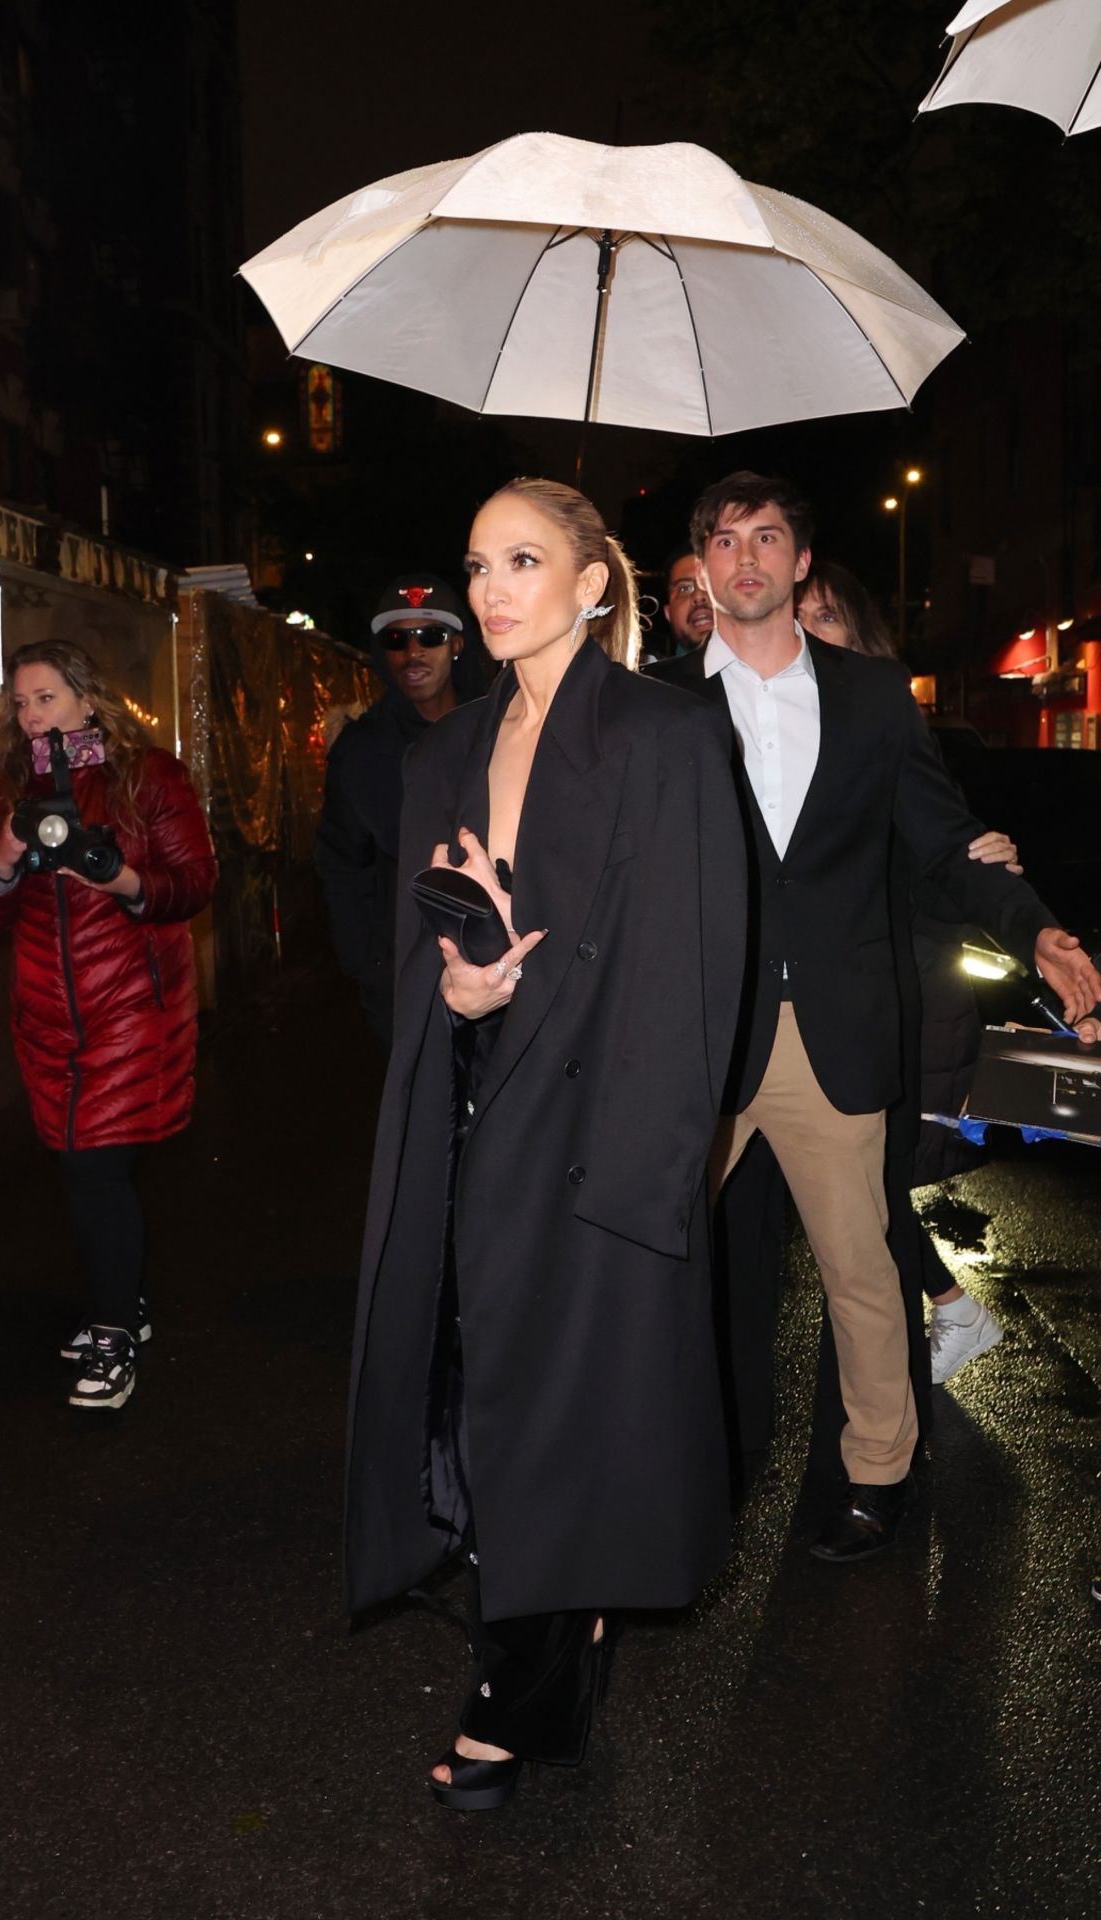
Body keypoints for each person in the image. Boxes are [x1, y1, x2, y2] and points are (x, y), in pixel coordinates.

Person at [344, 477, 747, 1810]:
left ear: (595, 582)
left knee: (550, 1413)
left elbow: (696, 977)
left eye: (527, 560)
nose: (494, 589)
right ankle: (558, 1642)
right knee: (481, 1397)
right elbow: (428, 957)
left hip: (598, 1130)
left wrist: (642, 1188)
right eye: (477, 566)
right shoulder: (441, 755)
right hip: (472, 1106)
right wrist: (458, 987)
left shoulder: (665, 738)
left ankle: (516, 1698)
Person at [664, 471, 1099, 1562]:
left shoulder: (867, 698)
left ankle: (877, 1475)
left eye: (767, 537)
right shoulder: (661, 709)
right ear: (702, 566)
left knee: (863, 1268)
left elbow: (945, 844)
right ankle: (653, 1474)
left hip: (836, 1035)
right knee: (650, 1260)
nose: (745, 558)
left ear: (801, 561)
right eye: (723, 541)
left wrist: (1035, 929)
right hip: (699, 1039)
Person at [0, 640, 216, 1411]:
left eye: (47, 698)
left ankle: (110, 1333)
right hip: (45, 1012)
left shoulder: (148, 776)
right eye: (22, 703)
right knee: (80, 1166)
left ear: (89, 700)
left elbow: (194, 881)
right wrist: (4, 856)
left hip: (133, 1007)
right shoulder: (10, 786)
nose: (32, 716)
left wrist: (122, 878)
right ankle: (122, 1306)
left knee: (95, 1168)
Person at [796, 558, 1005, 1385]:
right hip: (853, 982)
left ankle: (951, 1313)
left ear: (862, 636)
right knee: (847, 1173)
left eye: (829, 619)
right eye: (800, 619)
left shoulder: (880, 720)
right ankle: (947, 1313)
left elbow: (936, 834)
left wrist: (982, 854)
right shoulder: (784, 724)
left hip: (903, 982)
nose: (813, 635)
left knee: (862, 1173)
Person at [314, 572, 483, 1053]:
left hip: (497, 968)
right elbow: (340, 863)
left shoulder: (499, 731)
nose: (413, 652)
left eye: (429, 636)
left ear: (456, 645)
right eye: (396, 639)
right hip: (401, 981)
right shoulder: (362, 750)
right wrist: (368, 965)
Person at [650, 546, 714, 663]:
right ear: (668, 613)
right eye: (684, 589)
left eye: (710, 584)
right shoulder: (647, 679)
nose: (698, 596)